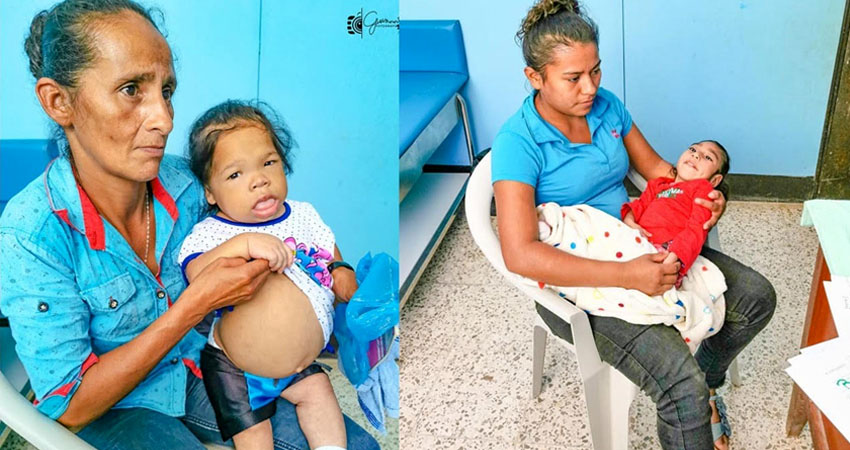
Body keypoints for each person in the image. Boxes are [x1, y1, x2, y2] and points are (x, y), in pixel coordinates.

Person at [0, 1, 379, 449]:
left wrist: (338, 273)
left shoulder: (188, 183)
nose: (164, 119)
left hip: (206, 366)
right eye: (130, 89)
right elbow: (71, 405)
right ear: (59, 101)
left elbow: (294, 225)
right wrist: (194, 306)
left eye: (167, 91)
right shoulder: (31, 235)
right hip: (117, 405)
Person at [490, 0, 775, 448]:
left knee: (756, 298)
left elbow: (660, 172)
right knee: (680, 388)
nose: (591, 88)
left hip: (641, 240)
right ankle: (694, 395)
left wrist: (703, 197)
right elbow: (519, 253)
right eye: (573, 78)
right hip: (579, 280)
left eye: (596, 71)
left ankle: (708, 380)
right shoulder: (517, 142)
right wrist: (626, 274)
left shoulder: (606, 108)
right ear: (535, 77)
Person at [178, 100, 350, 450]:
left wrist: (343, 273)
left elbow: (331, 254)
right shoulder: (213, 233)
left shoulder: (303, 214)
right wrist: (243, 243)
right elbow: (196, 273)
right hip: (237, 370)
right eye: (235, 174)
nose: (259, 180)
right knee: (255, 437)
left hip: (300, 366)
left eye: (268, 162)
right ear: (210, 191)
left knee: (320, 394)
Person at [622, 140, 730, 283]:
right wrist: (629, 221)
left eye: (708, 157)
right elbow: (639, 206)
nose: (696, 155)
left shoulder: (702, 190)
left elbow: (696, 229)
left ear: (715, 180)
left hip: (663, 252)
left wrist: (672, 258)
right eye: (693, 149)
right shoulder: (658, 185)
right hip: (635, 238)